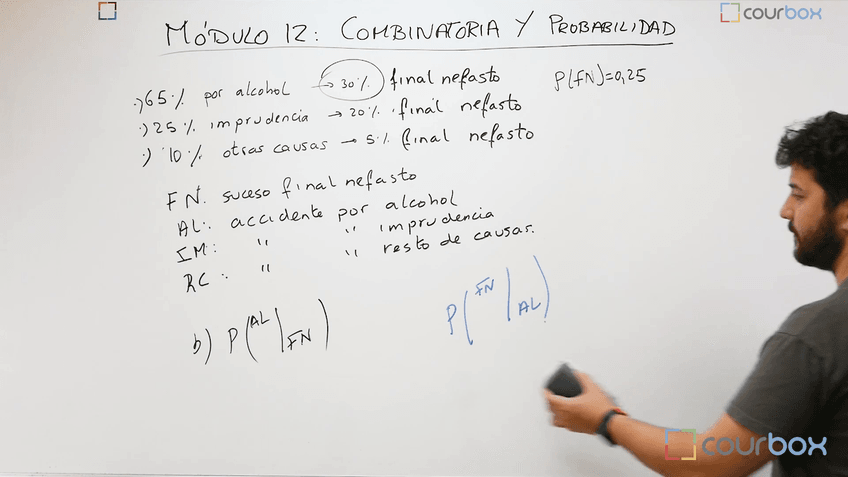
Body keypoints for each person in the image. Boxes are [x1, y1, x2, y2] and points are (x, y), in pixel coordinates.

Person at [544, 111, 848, 477]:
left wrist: (605, 420)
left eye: (799, 195)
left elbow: (711, 463)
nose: (785, 211)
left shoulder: (816, 336)